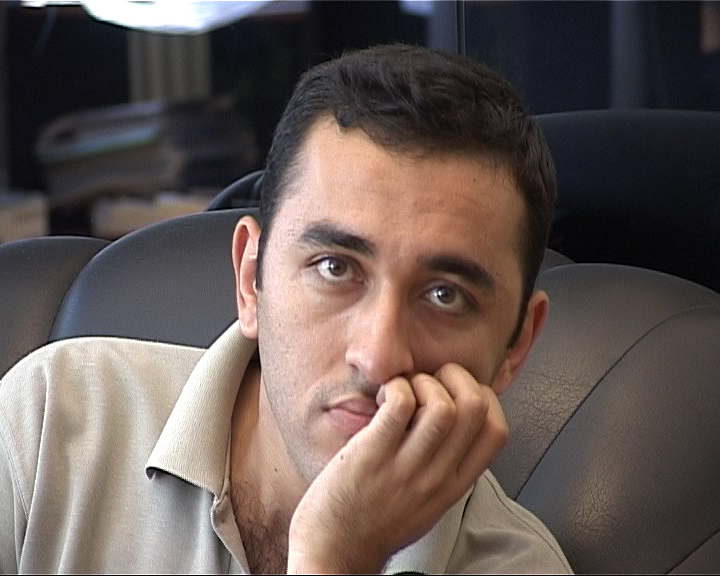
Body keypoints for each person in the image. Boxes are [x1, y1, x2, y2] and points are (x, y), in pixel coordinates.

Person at [0, 44, 571, 574]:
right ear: (250, 280)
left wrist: (337, 554)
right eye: (335, 268)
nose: (378, 358)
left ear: (516, 346)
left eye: (446, 296)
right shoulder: (49, 421)